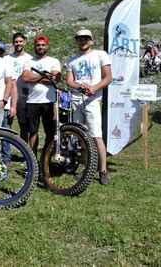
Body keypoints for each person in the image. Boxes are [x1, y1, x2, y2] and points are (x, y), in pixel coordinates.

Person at [66, 29, 113, 185]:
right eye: (80, 38)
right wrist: (80, 85)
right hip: (76, 99)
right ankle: (87, 169)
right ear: (76, 41)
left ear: (91, 40)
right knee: (81, 136)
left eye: (86, 38)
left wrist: (94, 87)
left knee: (96, 136)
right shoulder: (72, 60)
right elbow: (69, 81)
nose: (83, 41)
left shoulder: (100, 55)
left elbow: (108, 77)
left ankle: (103, 170)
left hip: (92, 100)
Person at [22, 35, 61, 156]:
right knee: (33, 132)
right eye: (38, 45)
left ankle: (45, 157)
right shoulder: (29, 61)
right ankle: (33, 158)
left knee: (50, 132)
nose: (40, 47)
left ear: (47, 46)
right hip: (32, 101)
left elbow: (55, 79)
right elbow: (25, 78)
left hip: (49, 101)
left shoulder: (53, 61)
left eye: (43, 45)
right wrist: (44, 76)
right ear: (34, 46)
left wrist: (34, 78)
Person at [6, 33, 33, 142]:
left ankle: (24, 149)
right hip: (9, 95)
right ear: (13, 43)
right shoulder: (7, 58)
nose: (18, 44)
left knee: (24, 124)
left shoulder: (30, 59)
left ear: (25, 42)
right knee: (7, 124)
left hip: (23, 95)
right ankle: (5, 151)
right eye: (16, 42)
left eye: (20, 41)